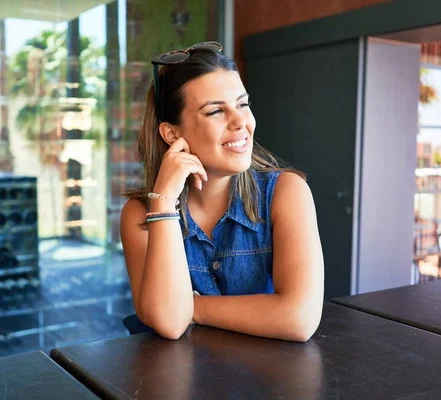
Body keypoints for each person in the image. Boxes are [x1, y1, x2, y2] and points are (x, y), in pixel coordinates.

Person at [120, 42, 324, 341]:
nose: (240, 121)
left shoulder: (286, 192)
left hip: (269, 382)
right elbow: (169, 322)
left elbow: (299, 319)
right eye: (216, 111)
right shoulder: (141, 213)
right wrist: (163, 202)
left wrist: (194, 307)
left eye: (242, 104)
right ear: (172, 133)